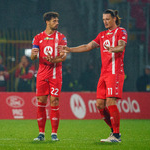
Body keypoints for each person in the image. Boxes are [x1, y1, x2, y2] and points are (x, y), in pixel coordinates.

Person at [59, 9, 127, 143]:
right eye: (103, 19)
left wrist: (113, 49)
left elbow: (121, 47)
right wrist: (70, 49)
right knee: (99, 104)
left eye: (108, 19)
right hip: (104, 74)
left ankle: (116, 135)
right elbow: (87, 46)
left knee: (110, 101)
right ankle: (113, 131)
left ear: (114, 19)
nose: (105, 22)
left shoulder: (121, 31)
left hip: (115, 72)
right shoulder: (102, 35)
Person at [31, 12, 67, 141]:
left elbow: (63, 56)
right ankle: (41, 134)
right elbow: (33, 56)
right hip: (41, 74)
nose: (57, 23)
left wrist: (54, 60)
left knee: (54, 102)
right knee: (41, 103)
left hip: (55, 74)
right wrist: (33, 54)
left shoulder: (62, 37)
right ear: (47, 22)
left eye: (57, 21)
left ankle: (54, 134)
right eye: (54, 21)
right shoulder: (37, 38)